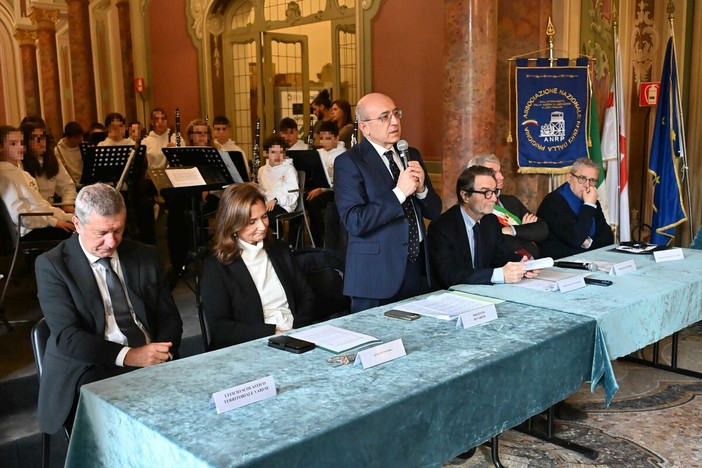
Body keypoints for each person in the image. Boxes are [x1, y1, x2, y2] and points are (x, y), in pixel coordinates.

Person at [34, 183, 183, 435]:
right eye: (102, 232)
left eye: (118, 230)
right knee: (128, 426)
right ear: (77, 224)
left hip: (151, 357)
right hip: (91, 364)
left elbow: (169, 317)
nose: (111, 242)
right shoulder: (52, 265)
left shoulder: (144, 255)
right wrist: (130, 356)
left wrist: (161, 352)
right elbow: (69, 337)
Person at [334, 93, 442, 312]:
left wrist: (421, 190)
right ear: (364, 127)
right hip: (376, 274)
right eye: (384, 117)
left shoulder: (410, 154)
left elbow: (434, 211)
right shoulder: (349, 162)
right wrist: (399, 193)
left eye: (396, 114)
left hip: (416, 265)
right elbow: (355, 222)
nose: (394, 122)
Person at [201, 183, 314, 349]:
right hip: (251, 345)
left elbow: (306, 295)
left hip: (295, 336)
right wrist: (274, 334)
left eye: (264, 216)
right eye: (252, 222)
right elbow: (221, 327)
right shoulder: (216, 265)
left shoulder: (279, 249)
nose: (262, 226)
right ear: (232, 224)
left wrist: (297, 331)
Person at [428, 166, 536, 288]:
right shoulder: (442, 226)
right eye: (486, 193)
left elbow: (503, 255)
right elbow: (449, 275)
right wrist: (498, 274)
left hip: (485, 290)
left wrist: (524, 264)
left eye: (494, 191)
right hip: (452, 294)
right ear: (465, 196)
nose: (494, 199)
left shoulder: (490, 220)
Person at [0, 125, 74, 240]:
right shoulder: (5, 175)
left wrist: (67, 217)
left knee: (80, 227)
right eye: (13, 144)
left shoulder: (20, 173)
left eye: (21, 142)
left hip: (39, 223)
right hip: (26, 232)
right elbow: (19, 215)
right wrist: (54, 222)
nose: (20, 147)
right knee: (77, 234)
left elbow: (41, 205)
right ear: (1, 147)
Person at [467, 154, 548, 258]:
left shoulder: (511, 201)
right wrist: (525, 231)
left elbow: (542, 229)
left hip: (534, 261)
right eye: (493, 173)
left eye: (500, 171)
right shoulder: (476, 209)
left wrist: (511, 230)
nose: (501, 177)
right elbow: (498, 243)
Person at [536, 157, 614, 259]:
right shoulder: (553, 202)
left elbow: (608, 238)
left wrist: (588, 243)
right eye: (582, 178)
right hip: (559, 262)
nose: (587, 185)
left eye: (592, 180)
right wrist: (589, 206)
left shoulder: (592, 200)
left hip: (587, 258)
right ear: (570, 177)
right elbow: (576, 239)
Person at [20, 122, 77, 211]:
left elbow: (67, 186)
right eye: (36, 139)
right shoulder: (20, 163)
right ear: (26, 142)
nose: (41, 142)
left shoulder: (52, 159)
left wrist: (67, 203)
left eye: (43, 138)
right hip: (35, 210)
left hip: (52, 208)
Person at [307, 120, 345, 246]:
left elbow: (340, 182)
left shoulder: (343, 154)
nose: (323, 142)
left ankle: (322, 238)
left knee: (314, 203)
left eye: (328, 138)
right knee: (306, 199)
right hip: (318, 188)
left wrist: (323, 189)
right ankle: (311, 240)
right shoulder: (318, 153)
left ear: (336, 138)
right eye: (321, 138)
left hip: (334, 191)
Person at [55, 121, 85, 186]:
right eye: (77, 138)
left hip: (84, 183)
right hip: (70, 184)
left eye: (82, 137)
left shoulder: (84, 147)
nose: (81, 140)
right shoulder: (58, 150)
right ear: (68, 137)